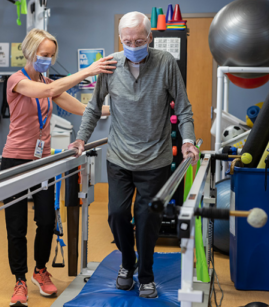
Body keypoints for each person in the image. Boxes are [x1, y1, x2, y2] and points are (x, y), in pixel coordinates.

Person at [68, 12, 199, 299]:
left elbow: (184, 108)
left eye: (139, 40)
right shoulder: (110, 65)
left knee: (146, 219)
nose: (133, 44)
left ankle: (146, 274)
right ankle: (128, 262)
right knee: (116, 214)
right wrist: (80, 139)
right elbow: (93, 107)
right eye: (127, 40)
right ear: (120, 39)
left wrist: (187, 140)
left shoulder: (165, 62)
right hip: (119, 156)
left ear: (149, 37)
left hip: (156, 158)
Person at [2, 28, 116, 307]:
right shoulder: (16, 80)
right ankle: (19, 279)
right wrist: (88, 71)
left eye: (52, 55)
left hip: (43, 162)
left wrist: (118, 108)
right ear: (30, 52)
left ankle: (40, 270)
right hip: (16, 160)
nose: (48, 60)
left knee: (46, 220)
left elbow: (80, 107)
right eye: (44, 55)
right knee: (16, 226)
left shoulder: (46, 82)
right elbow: (50, 90)